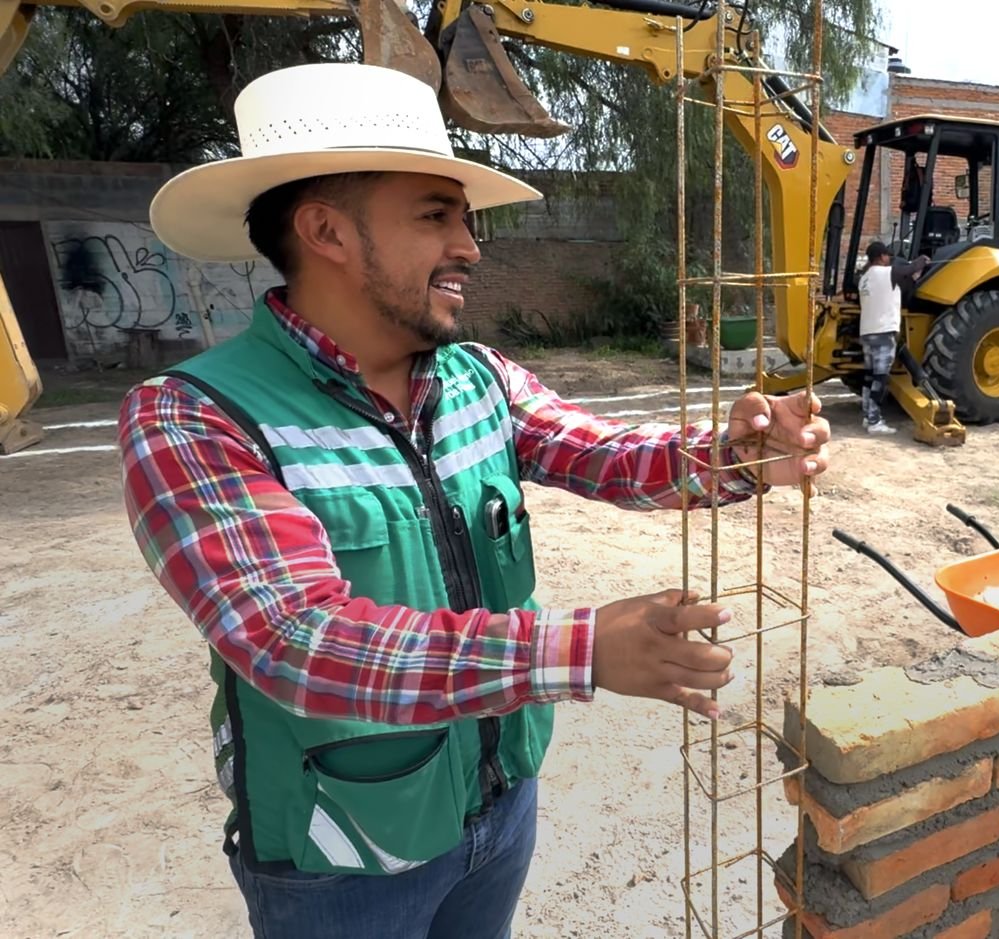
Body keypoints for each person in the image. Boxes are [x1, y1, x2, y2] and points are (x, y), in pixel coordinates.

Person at [116, 62, 829, 939]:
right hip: (343, 857)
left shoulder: (475, 377)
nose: (470, 246)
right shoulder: (194, 415)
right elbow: (296, 642)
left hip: (498, 804)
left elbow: (601, 451)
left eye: (464, 217)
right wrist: (581, 650)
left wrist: (734, 456)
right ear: (325, 229)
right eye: (435, 214)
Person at [855, 241, 929, 434]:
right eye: (887, 255)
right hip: (883, 332)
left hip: (867, 332)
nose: (889, 258)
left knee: (869, 376)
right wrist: (922, 260)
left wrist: (912, 276)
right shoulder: (886, 272)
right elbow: (909, 269)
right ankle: (874, 422)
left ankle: (866, 416)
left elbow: (893, 287)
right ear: (881, 257)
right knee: (880, 377)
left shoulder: (864, 278)